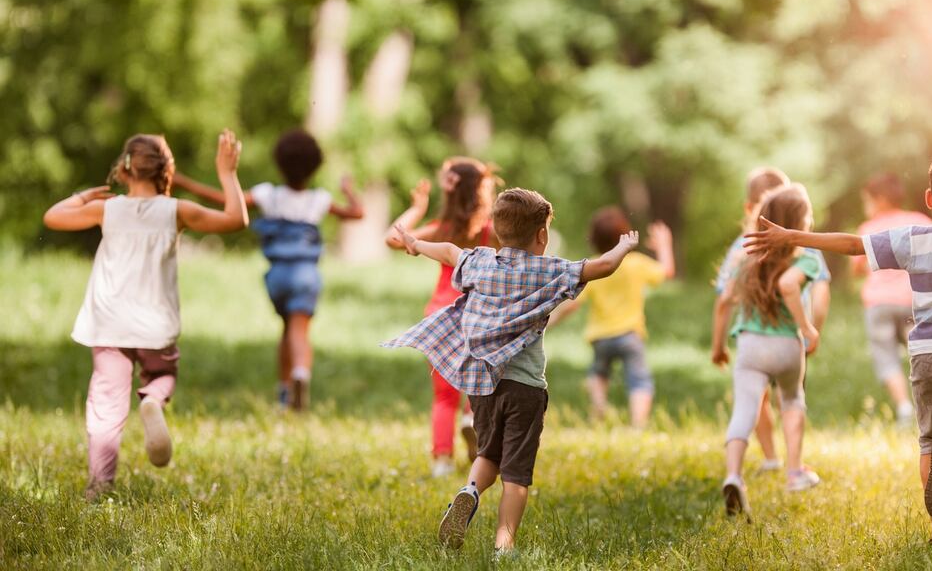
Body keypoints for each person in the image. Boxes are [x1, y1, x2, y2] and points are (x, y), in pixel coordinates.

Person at [744, 149, 932, 544]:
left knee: (928, 441)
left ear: (929, 199)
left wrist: (792, 236)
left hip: (924, 357)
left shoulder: (913, 241)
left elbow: (854, 245)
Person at [384, 188, 638, 554]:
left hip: (483, 385)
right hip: (525, 390)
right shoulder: (548, 270)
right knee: (516, 475)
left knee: (488, 454)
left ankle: (469, 490)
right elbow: (602, 266)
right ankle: (505, 546)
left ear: (499, 231)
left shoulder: (480, 261)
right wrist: (623, 247)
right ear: (542, 236)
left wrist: (414, 244)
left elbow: (447, 250)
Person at [43, 130, 248, 500]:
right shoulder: (177, 211)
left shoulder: (107, 208)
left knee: (106, 402)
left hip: (108, 324)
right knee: (163, 373)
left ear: (124, 170)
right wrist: (227, 173)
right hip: (156, 326)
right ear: (165, 171)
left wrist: (84, 195)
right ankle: (152, 400)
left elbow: (53, 217)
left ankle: (100, 483)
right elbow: (236, 220)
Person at [173, 129, 364, 411]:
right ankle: (300, 373)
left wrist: (183, 181)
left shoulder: (268, 195)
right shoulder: (319, 200)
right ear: (315, 166)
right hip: (307, 275)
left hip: (277, 277)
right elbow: (357, 213)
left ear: (279, 163)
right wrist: (348, 189)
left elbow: (220, 199)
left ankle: (284, 393)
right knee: (299, 331)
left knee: (286, 329)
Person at [711, 185, 822, 517]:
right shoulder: (806, 255)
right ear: (799, 221)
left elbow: (724, 301)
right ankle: (794, 472)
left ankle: (733, 475)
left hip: (750, 346)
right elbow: (789, 285)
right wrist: (807, 327)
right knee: (791, 401)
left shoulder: (746, 256)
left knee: (743, 410)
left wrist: (718, 346)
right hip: (787, 346)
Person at [384, 157, 498, 477]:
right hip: (479, 315)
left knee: (443, 395)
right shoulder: (491, 231)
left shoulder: (441, 230)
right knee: (481, 383)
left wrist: (417, 209)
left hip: (440, 315)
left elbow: (393, 239)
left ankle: (442, 461)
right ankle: (472, 420)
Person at [548, 207, 675, 428]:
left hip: (601, 337)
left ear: (594, 240)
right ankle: (638, 424)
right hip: (630, 334)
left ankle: (599, 410)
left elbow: (573, 304)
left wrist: (551, 320)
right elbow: (666, 272)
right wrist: (664, 245)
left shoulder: (595, 266)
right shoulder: (635, 263)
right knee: (639, 380)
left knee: (598, 374)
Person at [851, 174, 932, 424]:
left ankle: (904, 408)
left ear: (880, 200)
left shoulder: (867, 229)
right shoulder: (918, 221)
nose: (866, 207)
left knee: (886, 356)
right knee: (919, 353)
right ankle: (930, 405)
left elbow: (856, 268)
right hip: (913, 302)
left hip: (880, 306)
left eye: (867, 200)